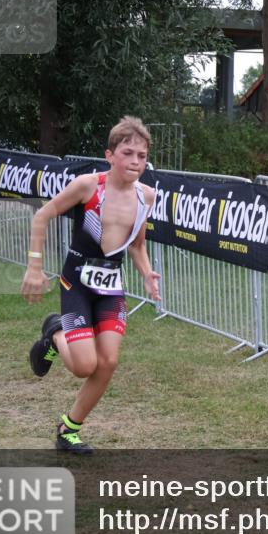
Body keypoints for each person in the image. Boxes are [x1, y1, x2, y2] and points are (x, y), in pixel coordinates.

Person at [22, 116, 160, 455]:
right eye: (127, 153)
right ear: (110, 155)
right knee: (84, 366)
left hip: (111, 287)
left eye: (142, 156)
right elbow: (42, 216)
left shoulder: (147, 197)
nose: (135, 162)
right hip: (77, 285)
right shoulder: (88, 186)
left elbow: (137, 244)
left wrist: (146, 273)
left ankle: (68, 429)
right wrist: (34, 267)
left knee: (108, 362)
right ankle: (55, 332)